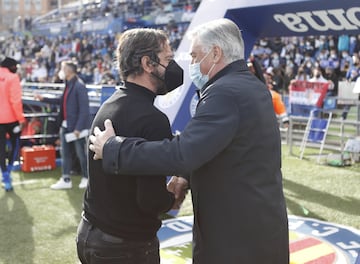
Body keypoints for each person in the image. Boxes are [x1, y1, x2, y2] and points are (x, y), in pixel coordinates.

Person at [89, 18, 289, 263]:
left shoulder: (225, 92)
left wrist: (114, 149)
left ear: (215, 53)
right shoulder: (249, 85)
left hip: (237, 239)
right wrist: (185, 174)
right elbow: (218, 146)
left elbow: (183, 152)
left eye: (195, 56)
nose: (191, 64)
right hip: (254, 228)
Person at [76, 28, 183, 264]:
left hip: (89, 233)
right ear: (147, 63)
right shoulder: (152, 119)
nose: (173, 66)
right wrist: (176, 192)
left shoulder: (110, 104)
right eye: (167, 59)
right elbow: (151, 200)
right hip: (124, 246)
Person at [35, 60, 90, 189]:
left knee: (81, 154)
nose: (60, 71)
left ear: (69, 71)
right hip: (65, 126)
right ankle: (65, 179)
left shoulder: (79, 86)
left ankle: (87, 178)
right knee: (65, 153)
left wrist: (78, 128)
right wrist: (44, 99)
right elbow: (61, 101)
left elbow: (84, 110)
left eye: (62, 68)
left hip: (76, 128)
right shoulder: (68, 84)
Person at [0, 57, 26, 192]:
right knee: (15, 145)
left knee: (0, 149)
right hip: (11, 119)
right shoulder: (13, 78)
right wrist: (21, 119)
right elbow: (15, 100)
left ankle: (4, 175)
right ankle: (7, 173)